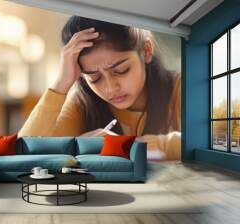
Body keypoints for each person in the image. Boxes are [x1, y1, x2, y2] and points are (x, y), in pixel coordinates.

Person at [18, 16, 181, 160]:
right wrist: (62, 83)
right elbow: (25, 151)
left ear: (146, 51)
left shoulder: (182, 87)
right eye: (94, 78)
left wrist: (124, 146)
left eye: (121, 70)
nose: (110, 88)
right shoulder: (83, 102)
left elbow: (203, 143)